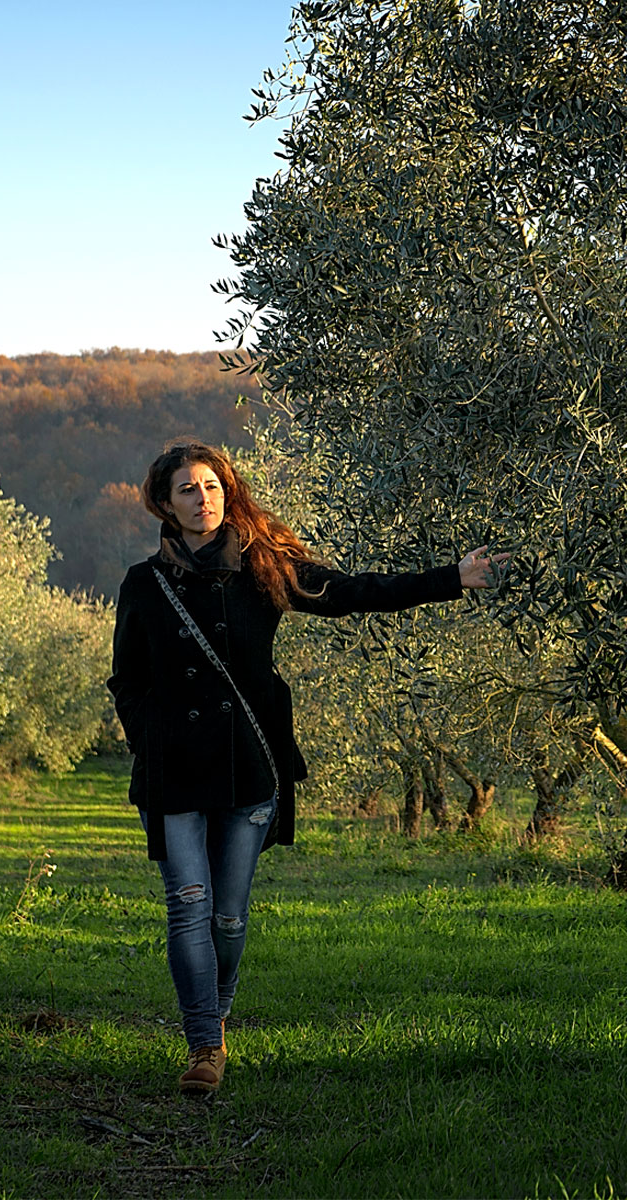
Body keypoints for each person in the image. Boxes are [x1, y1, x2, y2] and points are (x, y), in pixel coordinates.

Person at [107, 438, 505, 1095]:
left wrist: (449, 580)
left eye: (211, 486)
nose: (202, 499)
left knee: (228, 918)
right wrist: (149, 737)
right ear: (165, 503)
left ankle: (218, 1008)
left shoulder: (264, 567)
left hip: (249, 765)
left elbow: (353, 593)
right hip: (174, 769)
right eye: (187, 490)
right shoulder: (144, 585)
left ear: (227, 493)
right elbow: (127, 680)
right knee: (187, 906)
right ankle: (205, 1045)